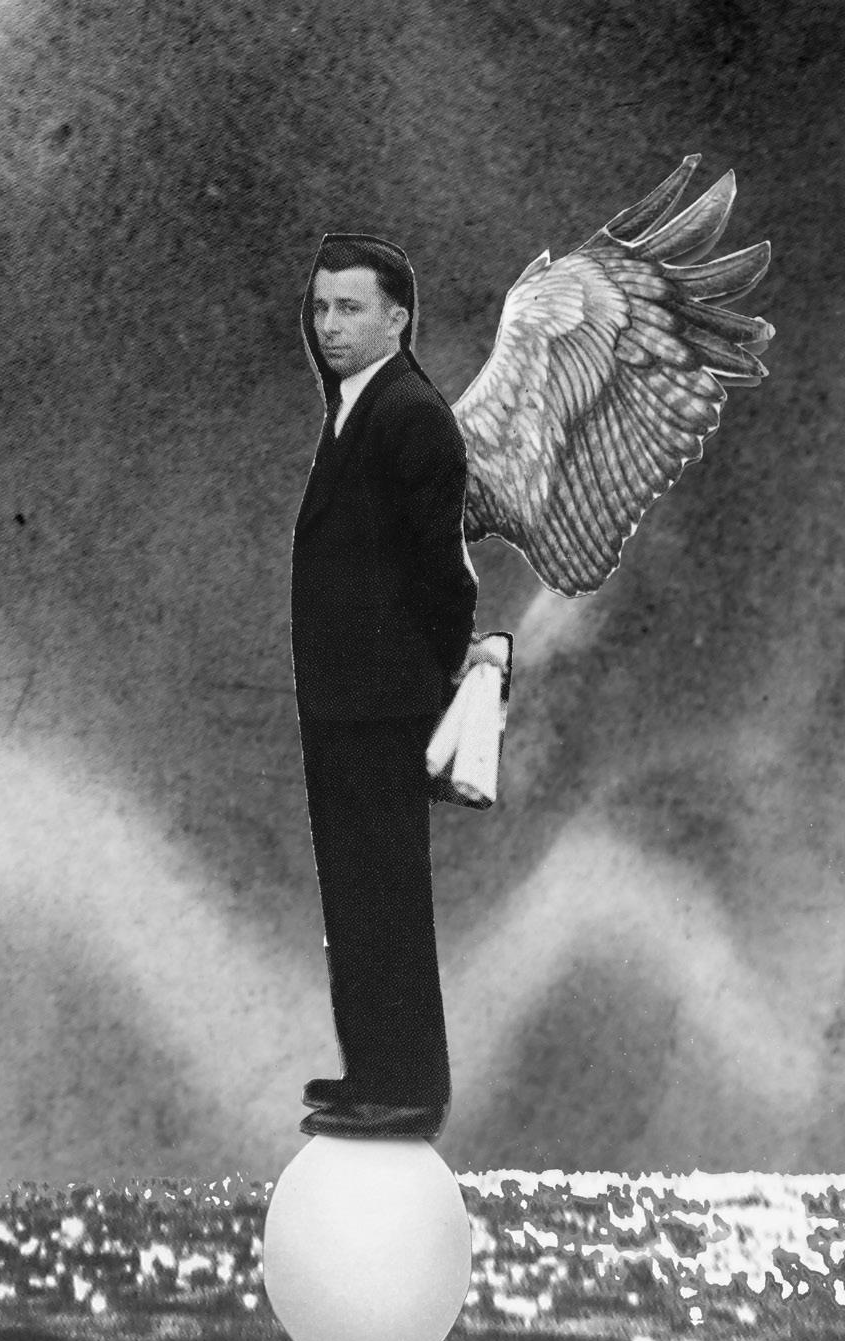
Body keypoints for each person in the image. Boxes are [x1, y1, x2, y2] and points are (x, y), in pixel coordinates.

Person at [291, 232, 499, 1140]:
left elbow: (445, 577)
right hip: (346, 703)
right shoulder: (355, 405)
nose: (329, 325)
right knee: (354, 895)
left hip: (381, 705)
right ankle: (373, 1069)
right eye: (321, 307)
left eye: (351, 308)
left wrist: (422, 679)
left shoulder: (409, 413)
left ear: (398, 318)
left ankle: (409, 1084)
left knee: (387, 898)